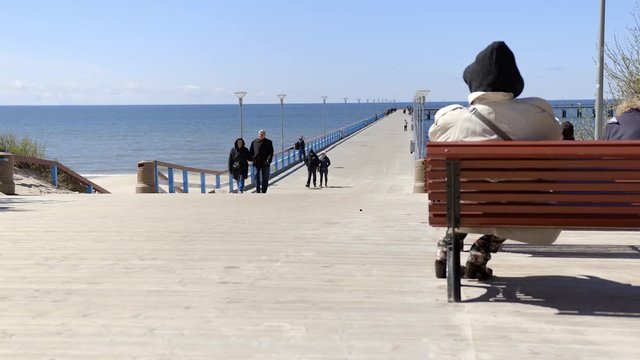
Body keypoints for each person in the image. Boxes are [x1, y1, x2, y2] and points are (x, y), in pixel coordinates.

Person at [428, 41, 562, 280]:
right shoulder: (537, 116)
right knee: (512, 199)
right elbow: (556, 136)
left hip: (462, 210)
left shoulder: (453, 119)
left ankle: (447, 245)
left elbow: (434, 135)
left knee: (462, 194)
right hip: (523, 213)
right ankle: (480, 252)